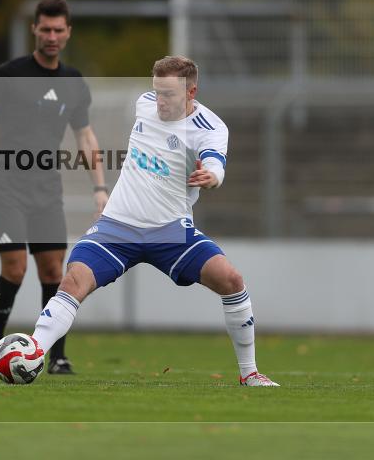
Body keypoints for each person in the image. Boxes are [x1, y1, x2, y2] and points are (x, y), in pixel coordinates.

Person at [31, 56, 279, 387]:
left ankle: (250, 373)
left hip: (171, 232)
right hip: (118, 224)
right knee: (73, 282)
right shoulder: (144, 104)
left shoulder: (211, 128)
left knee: (231, 280)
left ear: (192, 92)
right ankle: (30, 354)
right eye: (157, 91)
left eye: (169, 94)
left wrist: (212, 176)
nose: (160, 101)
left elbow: (216, 163)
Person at [0, 0, 108, 376]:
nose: (51, 36)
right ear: (34, 29)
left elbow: (86, 136)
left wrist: (99, 187)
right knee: (14, 269)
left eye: (58, 30)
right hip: (4, 184)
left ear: (68, 32)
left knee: (53, 270)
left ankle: (55, 354)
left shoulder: (74, 83)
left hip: (47, 188)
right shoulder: (8, 74)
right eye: (45, 28)